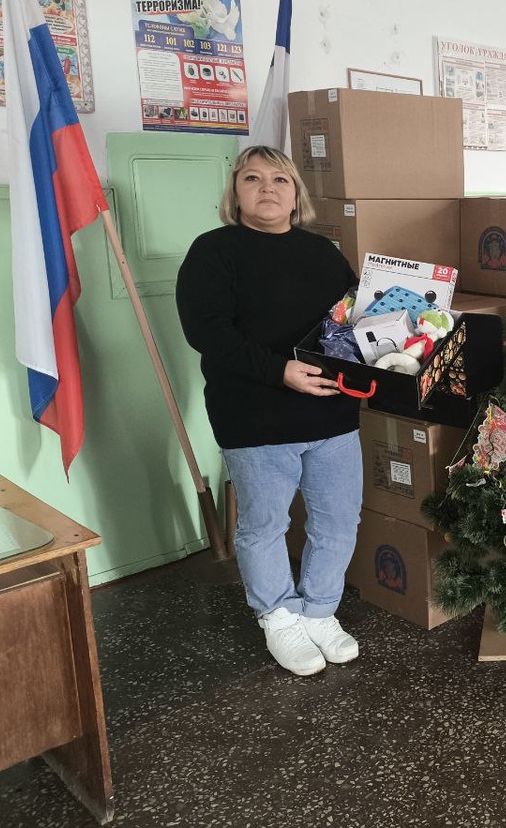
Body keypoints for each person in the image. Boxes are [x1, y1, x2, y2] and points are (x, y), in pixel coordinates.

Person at [176, 145, 364, 677]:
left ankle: (320, 610)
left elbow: (352, 319)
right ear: (234, 193)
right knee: (264, 525)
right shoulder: (213, 251)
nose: (267, 188)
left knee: (338, 520)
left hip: (331, 413)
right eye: (253, 178)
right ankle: (278, 616)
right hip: (255, 416)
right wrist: (280, 370)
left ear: (296, 194)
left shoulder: (322, 253)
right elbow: (208, 331)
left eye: (280, 179)